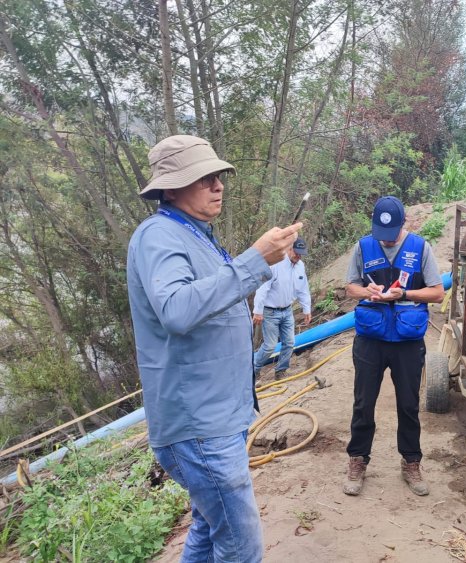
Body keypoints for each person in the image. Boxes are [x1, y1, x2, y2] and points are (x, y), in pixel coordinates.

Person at [127, 134, 301, 562]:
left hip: (220, 415)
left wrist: (258, 260)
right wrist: (254, 259)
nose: (217, 185)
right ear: (170, 188)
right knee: (241, 549)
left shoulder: (196, 234)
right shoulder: (158, 237)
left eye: (218, 176)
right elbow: (176, 309)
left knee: (208, 524)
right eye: (203, 178)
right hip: (200, 426)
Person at [343, 195, 444, 497]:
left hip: (407, 341)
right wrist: (368, 292)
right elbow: (350, 288)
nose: (386, 241)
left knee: (409, 405)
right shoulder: (362, 247)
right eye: (380, 235)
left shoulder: (421, 248)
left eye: (391, 235)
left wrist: (403, 295)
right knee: (363, 403)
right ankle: (357, 460)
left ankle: (411, 462)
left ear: (405, 224)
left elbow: (437, 293)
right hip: (370, 340)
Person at [252, 237, 312, 379]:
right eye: (296, 252)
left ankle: (281, 371)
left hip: (287, 310)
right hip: (270, 311)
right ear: (288, 248)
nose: (298, 256)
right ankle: (253, 369)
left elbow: (303, 289)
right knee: (270, 345)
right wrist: (258, 311)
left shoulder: (300, 266)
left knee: (289, 343)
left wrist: (307, 309)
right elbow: (262, 288)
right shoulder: (275, 264)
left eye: (301, 253)